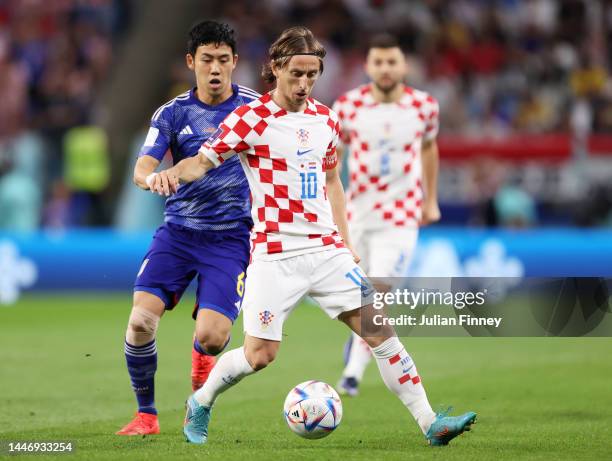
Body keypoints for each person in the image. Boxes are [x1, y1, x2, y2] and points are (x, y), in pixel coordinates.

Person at [151, 26, 475, 447]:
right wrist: (170, 175)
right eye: (297, 74)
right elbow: (202, 162)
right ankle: (202, 400)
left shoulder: (326, 118)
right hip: (274, 253)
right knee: (259, 356)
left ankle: (431, 422)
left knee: (380, 331)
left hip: (326, 251)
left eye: (312, 74)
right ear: (276, 68)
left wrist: (346, 241)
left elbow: (333, 182)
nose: (304, 84)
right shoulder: (251, 119)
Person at [116, 20, 260, 436]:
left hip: (231, 237)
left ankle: (198, 387)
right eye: (206, 60)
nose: (214, 69)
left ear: (234, 62)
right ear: (190, 62)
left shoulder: (253, 110)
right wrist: (154, 179)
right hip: (178, 233)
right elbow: (141, 169)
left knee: (214, 337)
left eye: (222, 60)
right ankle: (146, 416)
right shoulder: (172, 113)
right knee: (140, 322)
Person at [332, 34, 441, 397]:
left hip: (401, 214)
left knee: (378, 292)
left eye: (392, 61)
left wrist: (430, 200)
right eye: (378, 62)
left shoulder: (423, 107)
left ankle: (352, 370)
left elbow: (428, 148)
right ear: (367, 66)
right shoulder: (347, 107)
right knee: (361, 296)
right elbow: (335, 161)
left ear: (403, 66)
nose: (385, 68)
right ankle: (358, 349)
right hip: (358, 213)